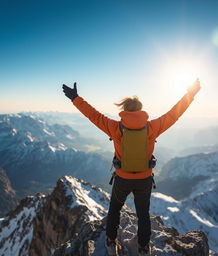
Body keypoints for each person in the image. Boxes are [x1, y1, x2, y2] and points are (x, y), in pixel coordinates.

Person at [62, 80, 201, 256]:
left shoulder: (115, 128)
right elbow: (174, 114)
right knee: (143, 214)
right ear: (141, 110)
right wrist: (191, 94)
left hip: (122, 178)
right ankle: (143, 247)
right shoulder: (152, 127)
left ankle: (111, 243)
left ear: (125, 110)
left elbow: (93, 116)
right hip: (144, 179)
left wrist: (75, 98)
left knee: (115, 209)